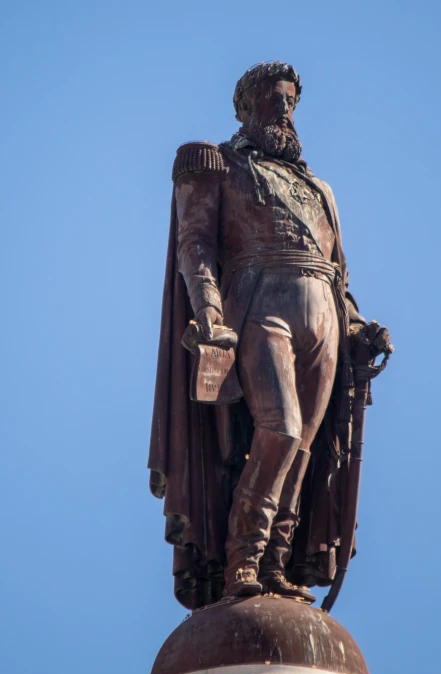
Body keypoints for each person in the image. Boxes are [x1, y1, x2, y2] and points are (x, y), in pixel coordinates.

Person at [149, 62, 389, 609]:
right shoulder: (219, 164)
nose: (284, 110)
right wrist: (209, 309)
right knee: (278, 431)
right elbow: (195, 244)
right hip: (260, 307)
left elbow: (338, 271)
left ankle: (276, 569)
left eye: (290, 101)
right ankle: (243, 560)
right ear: (245, 107)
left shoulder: (320, 190)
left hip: (323, 317)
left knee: (303, 450)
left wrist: (357, 325)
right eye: (272, 99)